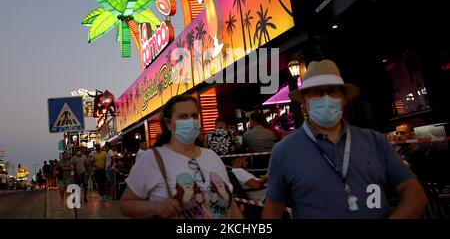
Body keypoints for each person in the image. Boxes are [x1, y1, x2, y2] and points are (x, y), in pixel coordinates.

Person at [263, 59, 428, 219]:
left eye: (332, 91)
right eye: (317, 92)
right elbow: (272, 210)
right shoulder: (284, 151)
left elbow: (414, 192)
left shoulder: (375, 141)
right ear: (304, 102)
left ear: (343, 99)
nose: (326, 98)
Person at [119, 94, 243, 219]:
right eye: (183, 117)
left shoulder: (212, 156)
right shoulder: (152, 159)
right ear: (169, 123)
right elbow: (125, 205)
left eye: (194, 116)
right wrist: (156, 207)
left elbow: (231, 205)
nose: (191, 121)